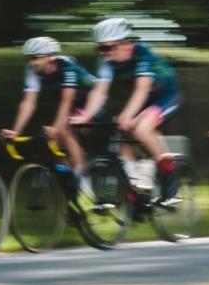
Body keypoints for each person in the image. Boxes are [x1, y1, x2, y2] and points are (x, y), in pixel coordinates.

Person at [70, 17, 182, 207]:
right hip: (145, 100)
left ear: (124, 44)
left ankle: (170, 182)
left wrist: (128, 115)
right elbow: (99, 91)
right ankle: (141, 190)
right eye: (100, 48)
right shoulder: (107, 61)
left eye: (107, 48)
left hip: (166, 96)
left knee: (141, 130)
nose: (103, 54)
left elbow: (141, 89)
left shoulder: (142, 54)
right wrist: (87, 115)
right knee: (122, 140)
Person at [0, 36, 99, 200]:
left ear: (50, 57)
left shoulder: (67, 66)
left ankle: (86, 190)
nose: (32, 63)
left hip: (92, 102)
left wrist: (56, 127)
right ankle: (72, 186)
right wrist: (16, 131)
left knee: (65, 129)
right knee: (57, 148)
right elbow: (28, 103)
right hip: (74, 105)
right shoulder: (32, 71)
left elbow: (67, 100)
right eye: (29, 58)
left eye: (35, 58)